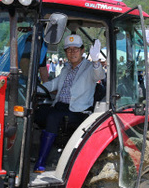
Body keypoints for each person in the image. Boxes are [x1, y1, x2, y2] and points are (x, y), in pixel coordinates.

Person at [33, 35, 105, 173]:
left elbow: (99, 75)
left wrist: (96, 61)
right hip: (59, 106)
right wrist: (32, 88)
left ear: (82, 50)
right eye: (69, 50)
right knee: (35, 111)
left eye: (76, 49)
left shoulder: (89, 68)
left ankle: (41, 161)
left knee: (53, 118)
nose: (72, 52)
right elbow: (53, 84)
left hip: (77, 110)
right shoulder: (66, 68)